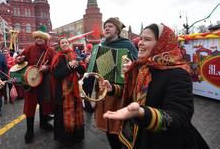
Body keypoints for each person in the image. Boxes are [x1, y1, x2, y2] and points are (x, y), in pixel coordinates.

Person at [102, 24, 209, 149]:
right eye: (141, 38)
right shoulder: (143, 67)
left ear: (162, 43)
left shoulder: (178, 74)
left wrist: (142, 113)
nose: (140, 43)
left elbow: (179, 118)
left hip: (163, 141)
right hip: (138, 136)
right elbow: (134, 93)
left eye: (147, 39)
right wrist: (113, 89)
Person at [93, 17, 138, 149]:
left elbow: (137, 62)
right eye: (105, 26)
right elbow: (97, 67)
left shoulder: (127, 44)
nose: (106, 28)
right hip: (103, 89)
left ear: (117, 30)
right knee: (107, 125)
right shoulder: (101, 45)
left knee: (119, 126)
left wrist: (131, 64)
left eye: (110, 26)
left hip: (119, 91)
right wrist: (91, 60)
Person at [15, 28, 55, 144]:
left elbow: (54, 65)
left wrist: (47, 68)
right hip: (30, 81)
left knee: (44, 103)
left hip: (44, 81)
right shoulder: (29, 48)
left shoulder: (51, 51)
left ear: (45, 39)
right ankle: (29, 130)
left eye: (40, 38)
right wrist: (19, 59)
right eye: (36, 38)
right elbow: (21, 61)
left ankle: (43, 123)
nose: (38, 40)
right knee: (30, 106)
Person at [51, 37, 86, 145]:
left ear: (69, 43)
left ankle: (77, 137)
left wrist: (77, 65)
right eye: (62, 43)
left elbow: (83, 70)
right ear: (59, 45)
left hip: (74, 91)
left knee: (76, 113)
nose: (65, 44)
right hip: (62, 93)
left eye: (66, 42)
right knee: (63, 116)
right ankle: (65, 139)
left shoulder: (75, 55)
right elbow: (57, 75)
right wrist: (69, 66)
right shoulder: (57, 57)